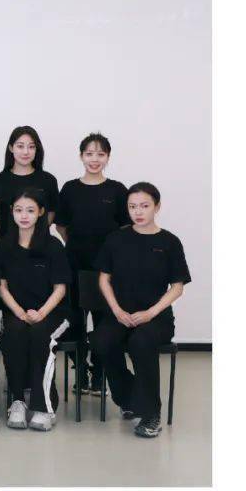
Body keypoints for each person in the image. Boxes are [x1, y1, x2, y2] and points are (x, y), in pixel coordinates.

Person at [91, 182, 190, 438]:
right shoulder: (116, 239)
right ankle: (129, 398)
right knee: (101, 341)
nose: (138, 211)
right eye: (132, 206)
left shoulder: (169, 242)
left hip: (156, 317)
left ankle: (150, 414)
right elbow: (104, 279)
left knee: (141, 341)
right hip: (120, 313)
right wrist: (116, 311)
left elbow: (177, 287)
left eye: (144, 206)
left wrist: (150, 313)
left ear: (157, 206)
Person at [54, 132, 129, 394]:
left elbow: (126, 228)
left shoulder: (117, 190)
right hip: (74, 266)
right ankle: (81, 371)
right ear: (81, 156)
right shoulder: (70, 188)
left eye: (100, 154)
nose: (94, 159)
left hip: (106, 270)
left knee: (103, 323)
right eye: (89, 154)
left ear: (108, 157)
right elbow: (61, 225)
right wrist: (75, 244)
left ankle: (99, 375)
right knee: (74, 321)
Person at [0, 188, 71, 431]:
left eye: (30, 210)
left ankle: (43, 406)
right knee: (13, 334)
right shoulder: (4, 245)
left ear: (40, 212)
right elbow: (1, 287)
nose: (24, 215)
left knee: (40, 334)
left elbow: (60, 288)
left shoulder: (53, 245)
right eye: (19, 210)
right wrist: (19, 312)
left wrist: (41, 313)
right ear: (12, 212)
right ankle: (18, 400)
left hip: (52, 313)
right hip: (17, 311)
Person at [0, 125, 59, 238]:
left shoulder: (48, 180)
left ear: (36, 149)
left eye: (31, 147)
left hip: (39, 244)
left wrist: (38, 232)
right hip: (6, 244)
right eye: (20, 146)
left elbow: (51, 212)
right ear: (11, 148)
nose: (26, 152)